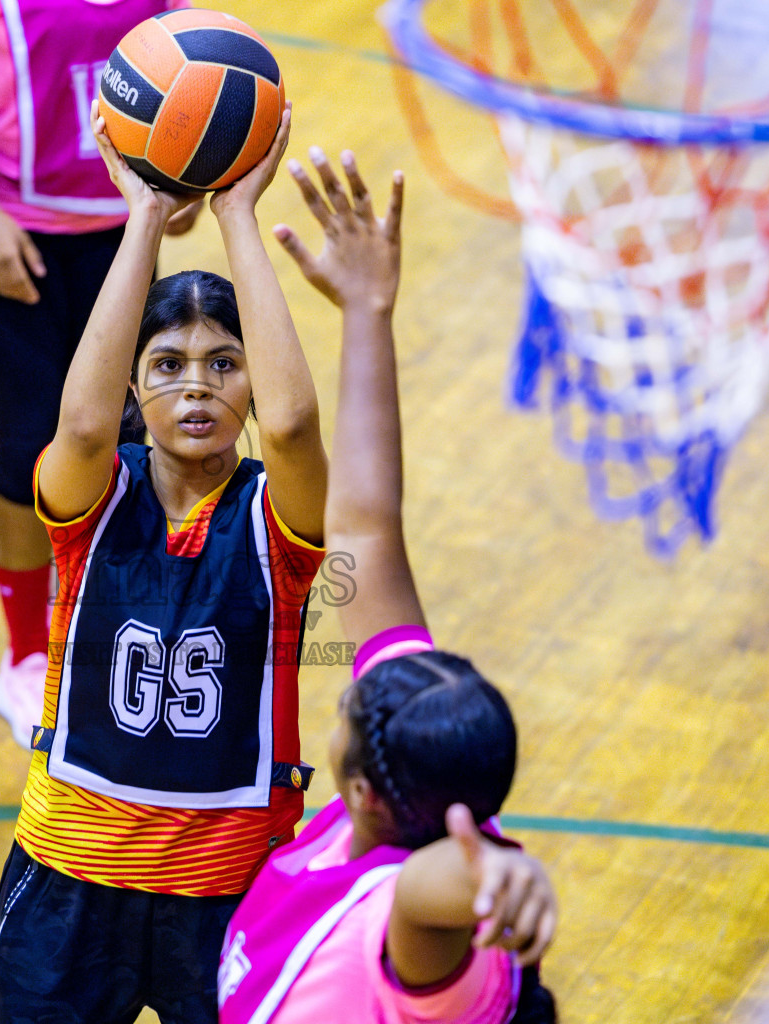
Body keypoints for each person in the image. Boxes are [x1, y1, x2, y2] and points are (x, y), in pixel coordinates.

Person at [0, 104, 326, 1023]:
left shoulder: (274, 519)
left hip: (228, 893)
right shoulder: (88, 499)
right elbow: (85, 422)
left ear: (251, 383)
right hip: (67, 880)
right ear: (136, 384)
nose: (198, 385)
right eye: (168, 365)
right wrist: (143, 213)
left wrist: (238, 216)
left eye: (224, 365)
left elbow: (293, 425)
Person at [216, 150, 559, 1024]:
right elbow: (364, 526)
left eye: (348, 714)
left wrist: (502, 877)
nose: (352, 693)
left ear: (363, 790)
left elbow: (432, 891)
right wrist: (367, 311)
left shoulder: (412, 936)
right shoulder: (399, 796)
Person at [0, 0, 198, 748]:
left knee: (129, 442)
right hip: (10, 240)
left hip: (120, 243)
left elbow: (186, 88)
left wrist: (180, 191)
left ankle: (109, 629)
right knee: (30, 442)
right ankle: (23, 656)